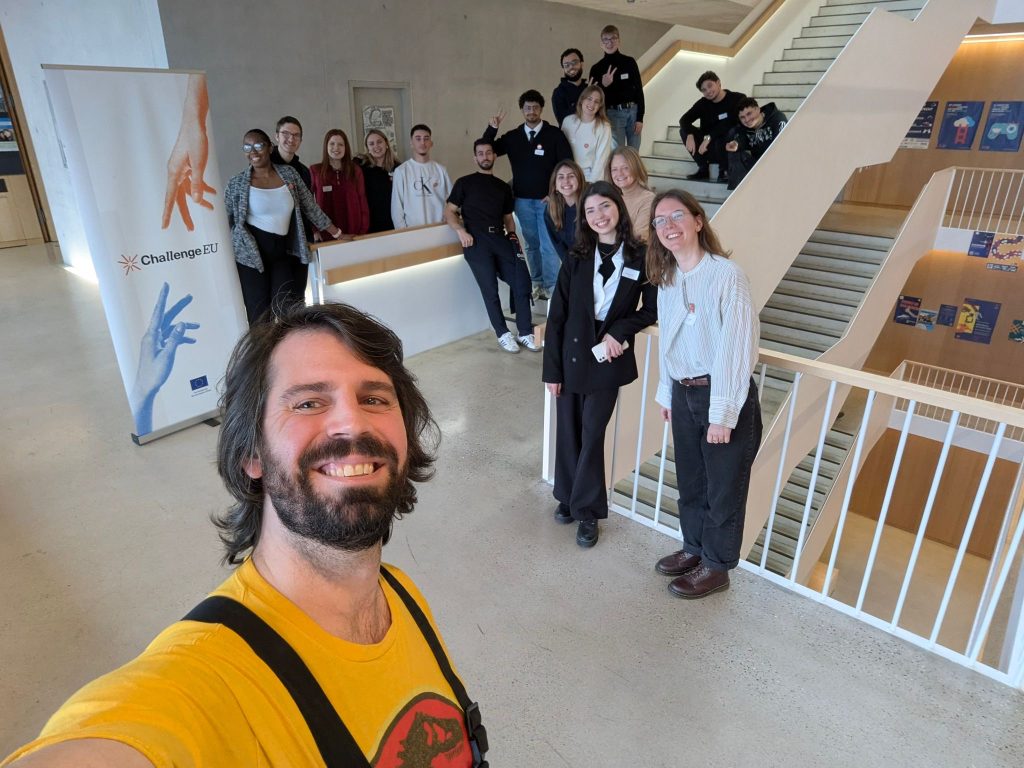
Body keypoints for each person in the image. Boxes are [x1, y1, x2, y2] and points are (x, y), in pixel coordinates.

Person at [3, 302, 489, 767]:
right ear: (252, 456)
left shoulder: (402, 595)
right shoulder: (205, 678)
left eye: (374, 398)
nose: (351, 421)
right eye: (308, 402)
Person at [647, 190, 762, 599]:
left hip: (720, 393)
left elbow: (737, 345)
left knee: (723, 486)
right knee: (692, 482)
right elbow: (668, 343)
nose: (669, 226)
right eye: (660, 221)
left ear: (698, 221)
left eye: (677, 215)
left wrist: (723, 412)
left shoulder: (726, 274)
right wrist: (666, 392)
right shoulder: (668, 279)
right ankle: (693, 548)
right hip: (684, 393)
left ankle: (715, 565)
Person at [542, 181, 657, 549]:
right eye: (590, 211)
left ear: (619, 209)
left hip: (608, 359)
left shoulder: (641, 255)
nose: (598, 216)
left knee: (592, 434)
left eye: (605, 207)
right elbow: (557, 316)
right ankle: (566, 496)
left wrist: (620, 333)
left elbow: (651, 310)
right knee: (569, 430)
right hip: (573, 357)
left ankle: (587, 511)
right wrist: (552, 371)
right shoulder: (576, 256)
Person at [225, 129, 342, 324]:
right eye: (247, 147)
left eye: (258, 145)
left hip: (282, 251)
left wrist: (336, 232)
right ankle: (262, 353)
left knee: (289, 307)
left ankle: (289, 350)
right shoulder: (236, 183)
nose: (253, 151)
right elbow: (226, 221)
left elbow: (310, 207)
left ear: (270, 147)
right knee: (259, 313)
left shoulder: (288, 174)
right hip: (250, 257)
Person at [445, 139, 538, 354]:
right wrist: (461, 231)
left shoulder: (503, 187)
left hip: (501, 239)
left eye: (488, 153)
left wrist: (513, 237)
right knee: (490, 289)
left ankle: (524, 332)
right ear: (475, 158)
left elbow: (508, 218)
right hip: (476, 242)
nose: (485, 157)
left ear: (494, 156)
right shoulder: (464, 183)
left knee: (522, 281)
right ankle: (503, 334)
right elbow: (449, 211)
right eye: (480, 153)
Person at [483, 90, 572, 301]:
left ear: (541, 109)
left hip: (547, 200)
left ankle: (551, 285)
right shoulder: (513, 137)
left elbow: (566, 164)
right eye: (527, 108)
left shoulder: (554, 135)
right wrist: (492, 128)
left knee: (548, 244)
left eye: (535, 107)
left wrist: (556, 194)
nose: (531, 111)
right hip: (522, 201)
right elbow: (487, 148)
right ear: (522, 110)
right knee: (531, 244)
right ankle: (537, 282)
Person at [678, 71, 747, 183]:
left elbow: (731, 122)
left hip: (727, 145)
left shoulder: (737, 98)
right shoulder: (703, 103)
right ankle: (703, 168)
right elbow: (684, 119)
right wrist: (690, 134)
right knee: (683, 131)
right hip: (707, 148)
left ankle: (724, 170)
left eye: (710, 86)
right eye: (704, 90)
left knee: (730, 131)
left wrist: (708, 137)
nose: (708, 91)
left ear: (718, 83)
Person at [588, 25, 644, 150]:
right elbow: (594, 98)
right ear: (601, 43)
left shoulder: (629, 62)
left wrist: (640, 118)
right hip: (612, 114)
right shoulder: (596, 68)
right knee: (617, 153)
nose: (610, 42)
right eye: (605, 39)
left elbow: (639, 90)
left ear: (619, 40)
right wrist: (604, 85)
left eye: (613, 38)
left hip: (633, 113)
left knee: (634, 154)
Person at [309, 129, 370, 239]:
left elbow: (362, 201)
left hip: (353, 233)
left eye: (340, 144)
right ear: (326, 146)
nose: (336, 148)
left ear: (345, 148)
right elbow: (308, 205)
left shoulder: (355, 171)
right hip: (326, 234)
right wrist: (314, 230)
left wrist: (363, 231)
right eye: (332, 144)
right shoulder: (315, 171)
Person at [391, 124, 452, 229]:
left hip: (439, 229)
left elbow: (451, 202)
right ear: (411, 143)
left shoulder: (441, 170)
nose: (422, 142)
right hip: (412, 232)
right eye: (418, 139)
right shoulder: (401, 171)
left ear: (431, 143)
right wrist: (402, 233)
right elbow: (397, 208)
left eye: (426, 139)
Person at [724, 97, 788, 190]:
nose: (747, 119)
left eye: (749, 114)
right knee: (734, 153)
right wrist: (736, 144)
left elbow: (783, 147)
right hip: (758, 166)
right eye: (742, 117)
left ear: (758, 109)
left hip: (778, 165)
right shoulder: (743, 128)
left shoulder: (777, 118)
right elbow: (741, 140)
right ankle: (737, 191)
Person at [270, 115, 315, 241]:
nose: (291, 139)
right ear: (277, 136)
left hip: (298, 238)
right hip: (270, 238)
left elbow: (307, 208)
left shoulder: (304, 171)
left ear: (301, 140)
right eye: (286, 133)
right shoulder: (263, 166)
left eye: (296, 135)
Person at [561, 84, 614, 182]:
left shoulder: (604, 127)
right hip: (568, 177)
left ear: (600, 106)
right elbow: (561, 151)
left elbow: (602, 159)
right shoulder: (567, 121)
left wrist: (593, 184)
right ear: (581, 100)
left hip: (588, 179)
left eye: (596, 102)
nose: (592, 104)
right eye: (589, 99)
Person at [356, 128, 402, 233]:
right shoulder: (360, 166)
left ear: (386, 143)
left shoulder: (399, 168)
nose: (376, 146)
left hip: (394, 223)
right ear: (367, 148)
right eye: (371, 144)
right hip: (370, 225)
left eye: (379, 142)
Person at [607, 146, 655, 243]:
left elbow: (639, 238)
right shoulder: (611, 197)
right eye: (614, 169)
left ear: (636, 168)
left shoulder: (648, 199)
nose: (619, 173)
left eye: (625, 168)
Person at [544, 159, 584, 262]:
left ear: (579, 181)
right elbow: (558, 244)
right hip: (570, 263)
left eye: (571, 176)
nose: (566, 181)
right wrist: (570, 266)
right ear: (555, 185)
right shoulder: (551, 210)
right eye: (561, 177)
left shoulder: (589, 205)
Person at [552, 47, 587, 127]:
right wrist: (584, 101)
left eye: (574, 63)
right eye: (566, 65)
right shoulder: (558, 92)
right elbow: (562, 119)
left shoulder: (590, 88)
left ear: (582, 64)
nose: (571, 67)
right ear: (563, 69)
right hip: (570, 137)